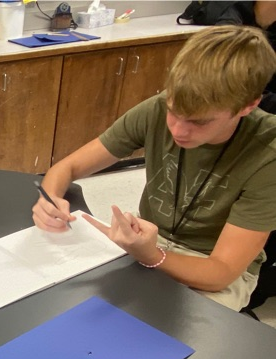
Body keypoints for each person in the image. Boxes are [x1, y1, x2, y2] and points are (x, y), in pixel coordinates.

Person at [32, 25, 276, 312]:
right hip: (149, 238)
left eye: (199, 122)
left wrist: (149, 255)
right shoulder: (157, 109)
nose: (178, 130)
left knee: (154, 339)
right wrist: (48, 200)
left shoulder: (267, 153)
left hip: (211, 267)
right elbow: (68, 167)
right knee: (64, 302)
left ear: (248, 106)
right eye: (174, 111)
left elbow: (220, 272)